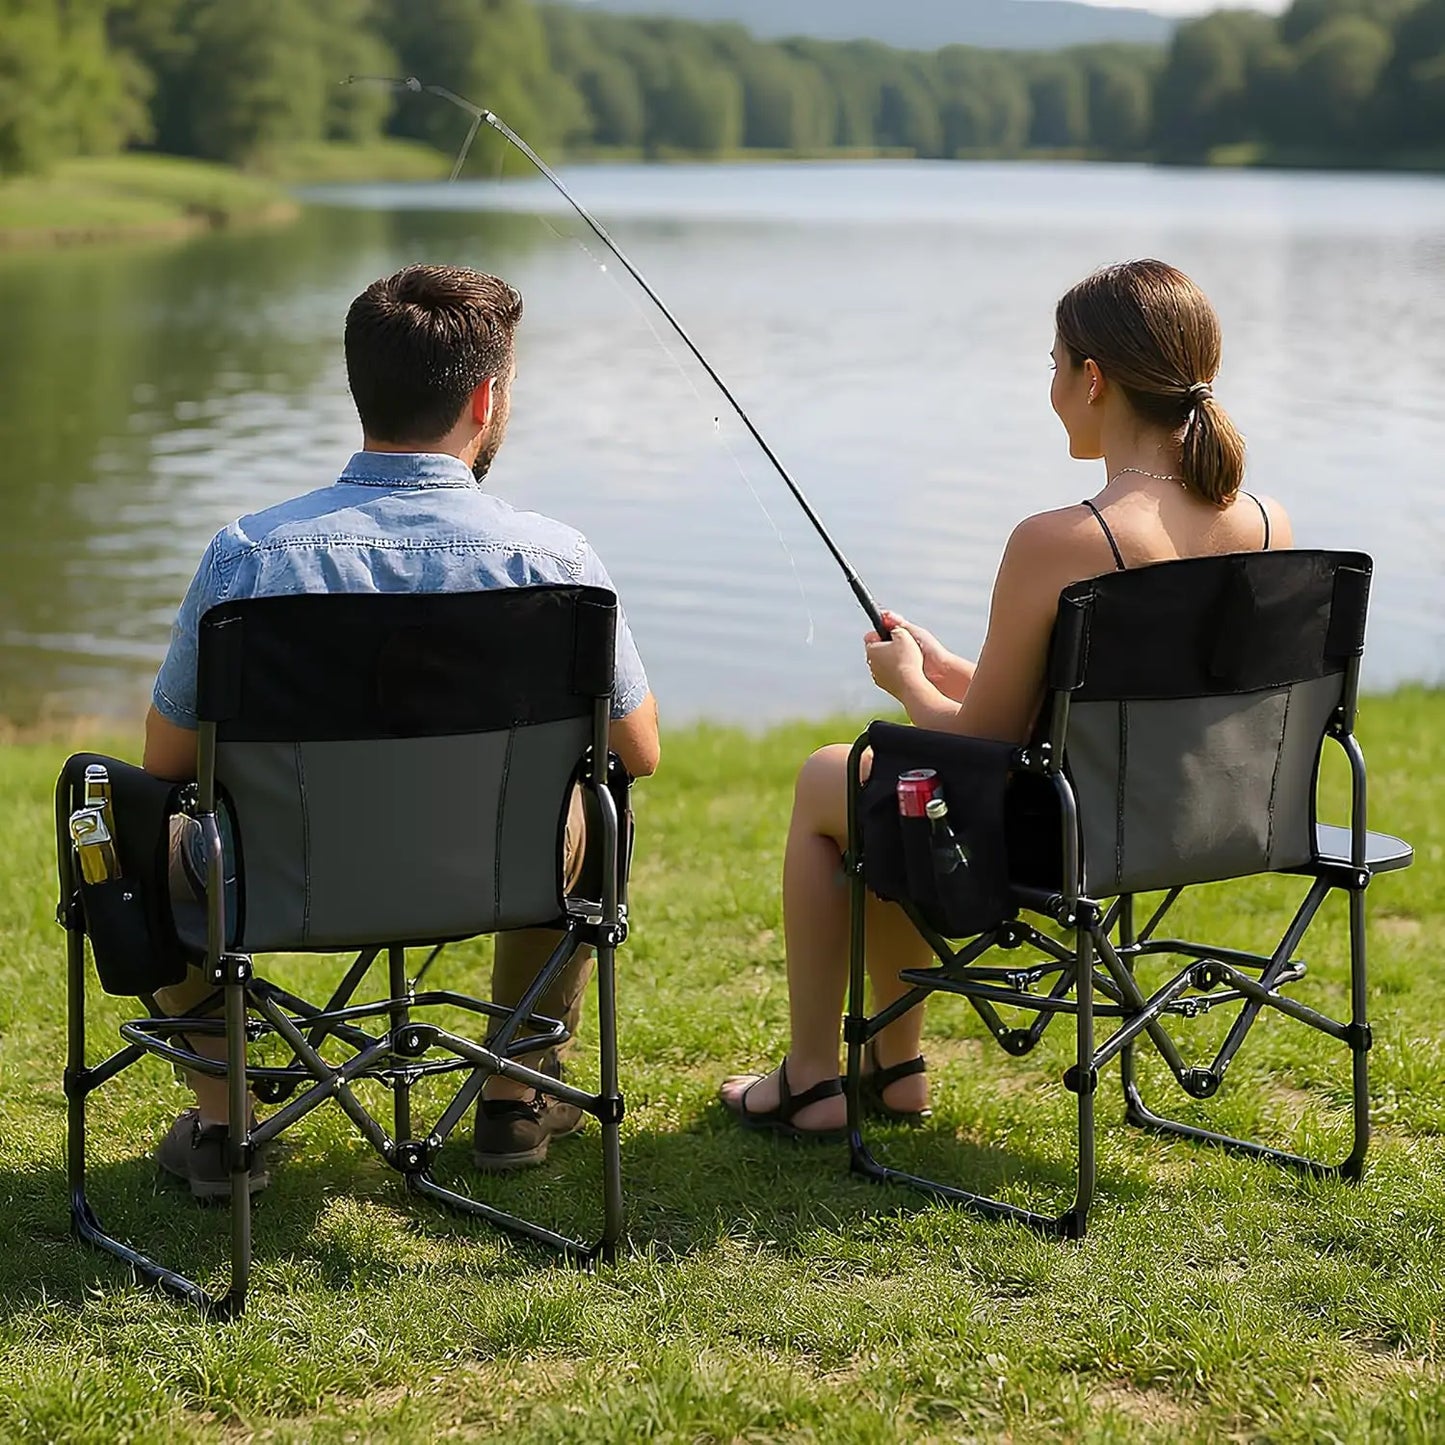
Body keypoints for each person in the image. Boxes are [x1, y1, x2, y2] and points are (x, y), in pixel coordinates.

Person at [720, 258, 1292, 1139]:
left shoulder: (1059, 539)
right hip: (1211, 814)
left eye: (1053, 362)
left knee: (835, 778)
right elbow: (1089, 700)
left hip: (1063, 832)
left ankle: (811, 1077)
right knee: (892, 779)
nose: (1051, 382)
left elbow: (980, 743)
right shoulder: (1262, 522)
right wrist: (951, 663)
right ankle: (894, 1068)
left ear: (1091, 380)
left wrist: (908, 683)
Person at [143, 263, 660, 1198]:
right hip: (500, 874)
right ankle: (512, 1093)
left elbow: (165, 763)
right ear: (485, 395)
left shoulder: (247, 557)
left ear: (360, 388)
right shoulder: (559, 561)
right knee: (591, 803)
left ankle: (227, 1125)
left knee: (131, 832)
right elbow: (640, 751)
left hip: (280, 878)